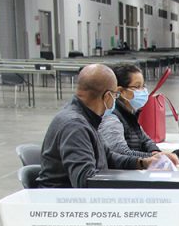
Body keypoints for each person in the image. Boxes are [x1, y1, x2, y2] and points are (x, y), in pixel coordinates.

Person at [36, 64, 164, 189]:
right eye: (115, 95)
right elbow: (86, 181)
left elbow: (108, 157)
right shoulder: (75, 127)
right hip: (63, 203)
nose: (115, 100)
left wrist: (142, 162)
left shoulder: (86, 118)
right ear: (108, 96)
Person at [99, 63, 179, 164]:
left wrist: (156, 152)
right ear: (121, 91)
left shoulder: (130, 113)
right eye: (137, 87)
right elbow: (120, 153)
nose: (143, 91)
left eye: (143, 86)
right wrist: (158, 158)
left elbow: (145, 140)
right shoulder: (111, 118)